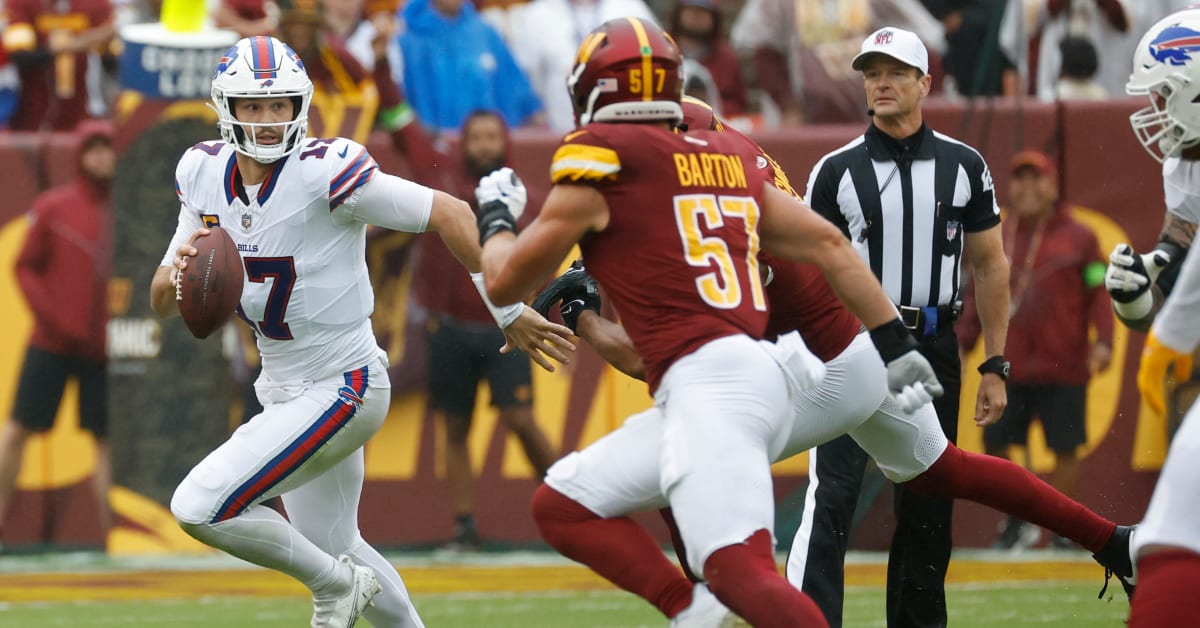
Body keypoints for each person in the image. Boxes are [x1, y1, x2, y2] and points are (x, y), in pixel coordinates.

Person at [528, 95, 1136, 625]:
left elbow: (651, 358)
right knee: (942, 468)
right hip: (857, 346)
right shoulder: (717, 151)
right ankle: (1112, 542)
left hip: (815, 363)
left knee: (676, 466)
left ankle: (712, 605)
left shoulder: (703, 204)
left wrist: (584, 317)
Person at [477, 16, 952, 628]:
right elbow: (828, 248)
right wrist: (895, 341)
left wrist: (496, 217)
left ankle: (694, 601)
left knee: (736, 568)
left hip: (736, 384)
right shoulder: (726, 158)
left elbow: (513, 282)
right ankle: (694, 602)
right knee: (603, 512)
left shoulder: (617, 170)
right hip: (772, 367)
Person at [148, 35, 573, 627]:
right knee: (340, 544)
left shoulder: (327, 171)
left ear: (301, 106)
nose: (269, 121)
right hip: (284, 387)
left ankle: (334, 590)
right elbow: (163, 302)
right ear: (227, 107)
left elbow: (450, 213)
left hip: (345, 384)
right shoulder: (201, 172)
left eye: (280, 106)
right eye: (253, 106)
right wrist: (182, 273)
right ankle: (353, 587)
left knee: (199, 506)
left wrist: (505, 310)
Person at [789, 26, 1012, 627]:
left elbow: (990, 264)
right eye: (871, 73)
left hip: (935, 342)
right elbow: (810, 271)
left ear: (923, 83)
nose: (880, 83)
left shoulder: (965, 166)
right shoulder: (835, 172)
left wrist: (995, 363)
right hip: (851, 343)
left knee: (928, 501)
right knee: (832, 492)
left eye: (893, 72)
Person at [408, 110, 558, 550]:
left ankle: (572, 507)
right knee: (454, 427)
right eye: (476, 137)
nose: (484, 146)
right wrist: (379, 65)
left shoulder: (528, 199)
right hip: (450, 325)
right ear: (463, 143)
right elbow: (404, 132)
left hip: (505, 330)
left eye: (492, 136)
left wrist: (537, 302)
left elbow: (548, 254)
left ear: (506, 142)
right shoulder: (447, 187)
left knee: (521, 420)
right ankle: (464, 526)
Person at [959, 150, 1113, 551]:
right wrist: (963, 344)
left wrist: (1105, 340)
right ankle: (1017, 521)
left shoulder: (1080, 236)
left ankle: (1062, 525)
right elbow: (977, 295)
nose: (1027, 187)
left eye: (1036, 179)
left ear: (1053, 186)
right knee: (996, 445)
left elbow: (1098, 288)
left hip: (1064, 364)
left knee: (1064, 446)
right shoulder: (997, 233)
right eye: (1019, 179)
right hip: (1005, 366)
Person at [1113, 8, 1200, 625]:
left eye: (1167, 93)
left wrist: (1164, 328)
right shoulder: (1187, 159)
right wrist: (1148, 276)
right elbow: (1183, 240)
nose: (1157, 109)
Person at [0, 120, 115, 548]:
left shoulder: (125, 208)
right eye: (95, 150)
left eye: (109, 149)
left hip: (101, 351)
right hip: (50, 344)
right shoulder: (55, 206)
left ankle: (114, 536)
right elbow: (23, 266)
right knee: (16, 432)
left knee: (106, 442)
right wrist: (51, 318)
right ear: (81, 156)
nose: (103, 158)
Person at [397, 0, 543, 133]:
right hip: (434, 148)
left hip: (487, 149)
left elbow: (518, 89)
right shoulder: (409, 41)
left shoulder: (486, 33)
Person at [1, 0, 115, 131]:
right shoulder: (22, 3)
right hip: (32, 117)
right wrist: (77, 44)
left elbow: (112, 67)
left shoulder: (96, 4)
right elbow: (20, 58)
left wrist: (107, 46)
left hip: (83, 117)